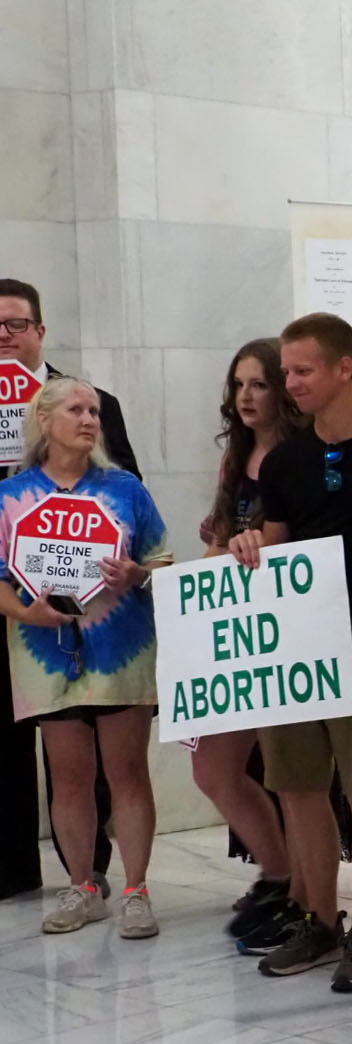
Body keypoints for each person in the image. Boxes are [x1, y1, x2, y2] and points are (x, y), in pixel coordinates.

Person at [228, 312, 352, 992]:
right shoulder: (285, 461)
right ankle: (318, 917)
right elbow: (275, 539)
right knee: (298, 783)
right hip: (294, 635)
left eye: (304, 370)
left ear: (346, 368)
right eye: (288, 371)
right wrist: (251, 545)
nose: (293, 383)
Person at [0, 377, 170, 937]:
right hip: (44, 654)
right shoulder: (10, 496)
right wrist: (27, 613)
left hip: (121, 650)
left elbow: (164, 563)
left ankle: (137, 889)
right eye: (75, 408)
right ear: (44, 420)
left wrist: (138, 574)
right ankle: (83, 886)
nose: (89, 418)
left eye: (94, 410)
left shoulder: (126, 490)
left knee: (127, 774)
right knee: (69, 778)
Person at [0, 279, 139, 902]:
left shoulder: (91, 401)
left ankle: (92, 871)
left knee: (89, 747)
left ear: (40, 331)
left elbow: (128, 490)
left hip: (83, 606)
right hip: (7, 597)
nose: (4, 335)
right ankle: (12, 870)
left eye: (15, 324)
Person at [190, 339, 308, 951]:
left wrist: (257, 541)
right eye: (239, 385)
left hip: (286, 627)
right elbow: (219, 541)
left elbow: (296, 540)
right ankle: (280, 871)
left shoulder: (296, 456)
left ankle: (299, 892)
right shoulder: (236, 458)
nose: (246, 397)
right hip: (234, 627)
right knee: (212, 766)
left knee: (294, 773)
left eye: (260, 384)